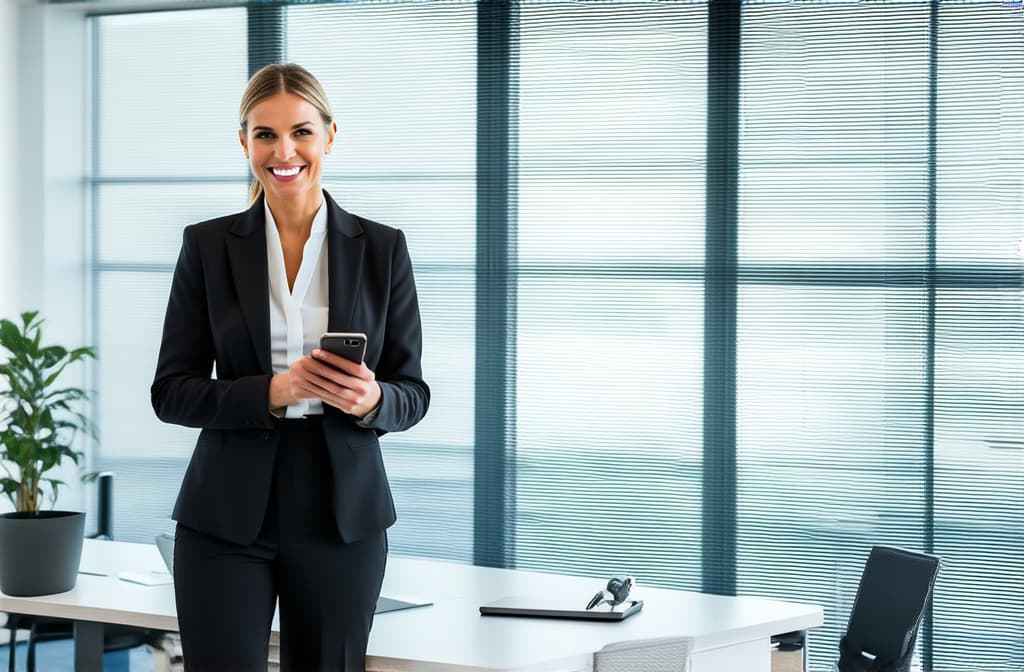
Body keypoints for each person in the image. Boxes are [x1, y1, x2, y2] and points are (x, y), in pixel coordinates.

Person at [151, 62, 429, 671]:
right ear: (244, 142)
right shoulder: (207, 246)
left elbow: (413, 390)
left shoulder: (382, 249)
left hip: (340, 514)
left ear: (330, 135)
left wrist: (375, 401)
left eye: (301, 132)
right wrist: (271, 391)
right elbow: (171, 392)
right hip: (226, 511)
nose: (284, 151)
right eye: (265, 134)